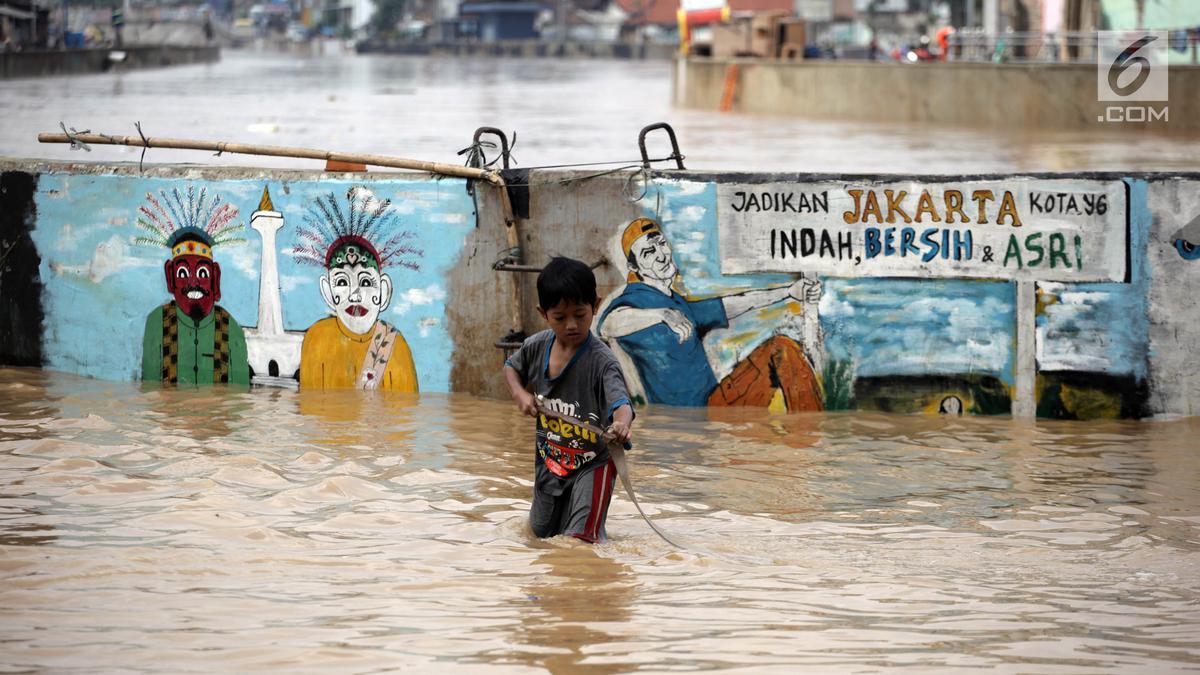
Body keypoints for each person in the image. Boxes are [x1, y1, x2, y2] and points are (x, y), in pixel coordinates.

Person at [599, 217, 824, 411]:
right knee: (781, 349)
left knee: (781, 349)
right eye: (648, 252)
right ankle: (810, 443)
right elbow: (609, 324)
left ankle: (806, 443)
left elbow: (734, 303)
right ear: (635, 267)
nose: (661, 255)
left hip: (716, 403)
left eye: (661, 244)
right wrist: (662, 315)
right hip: (695, 418)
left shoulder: (679, 303)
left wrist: (788, 291)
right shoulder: (636, 297)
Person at [504, 257, 635, 544]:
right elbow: (511, 368)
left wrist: (621, 425)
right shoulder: (536, 347)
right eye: (560, 318)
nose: (572, 325)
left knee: (579, 544)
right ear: (543, 314)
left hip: (593, 464)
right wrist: (520, 393)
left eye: (580, 314)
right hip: (549, 464)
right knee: (539, 537)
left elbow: (621, 404)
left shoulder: (603, 362)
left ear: (595, 306)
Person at [294, 188, 419, 391]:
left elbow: (404, 415)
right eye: (342, 283)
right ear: (328, 292)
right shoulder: (317, 338)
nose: (355, 294)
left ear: (384, 292)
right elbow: (314, 409)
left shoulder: (393, 344)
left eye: (366, 283)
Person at [137, 188, 250, 386]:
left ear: (215, 278)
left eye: (202, 273)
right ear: (170, 278)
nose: (193, 283)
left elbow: (238, 396)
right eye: (182, 273)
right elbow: (151, 392)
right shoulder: (158, 323)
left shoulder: (230, 328)